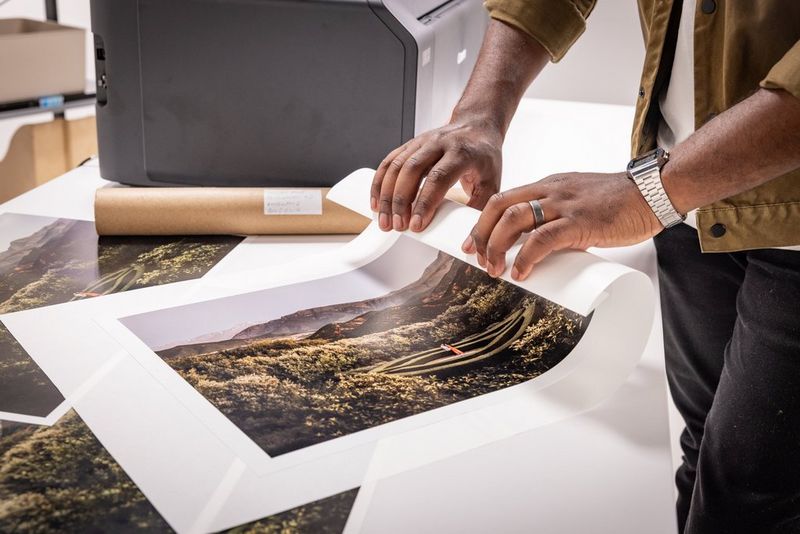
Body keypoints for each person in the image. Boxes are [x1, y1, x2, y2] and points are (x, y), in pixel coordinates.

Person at [370, 2, 800, 532]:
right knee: (706, 444)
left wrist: (648, 197)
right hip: (685, 200)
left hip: (749, 212)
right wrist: (479, 114)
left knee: (749, 495)